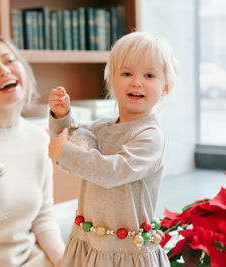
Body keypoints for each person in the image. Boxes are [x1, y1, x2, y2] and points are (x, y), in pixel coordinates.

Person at [47, 31, 178, 267]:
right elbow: (73, 137)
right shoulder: (102, 127)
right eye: (127, 73)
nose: (137, 82)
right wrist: (61, 116)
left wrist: (63, 152)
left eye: (149, 75)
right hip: (89, 242)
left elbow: (112, 172)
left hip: (127, 251)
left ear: (165, 86)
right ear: (111, 80)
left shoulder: (150, 137)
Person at [0, 33, 64, 267]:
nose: (4, 71)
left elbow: (43, 217)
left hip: (33, 259)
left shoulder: (40, 138)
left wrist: (65, 261)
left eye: (9, 61)